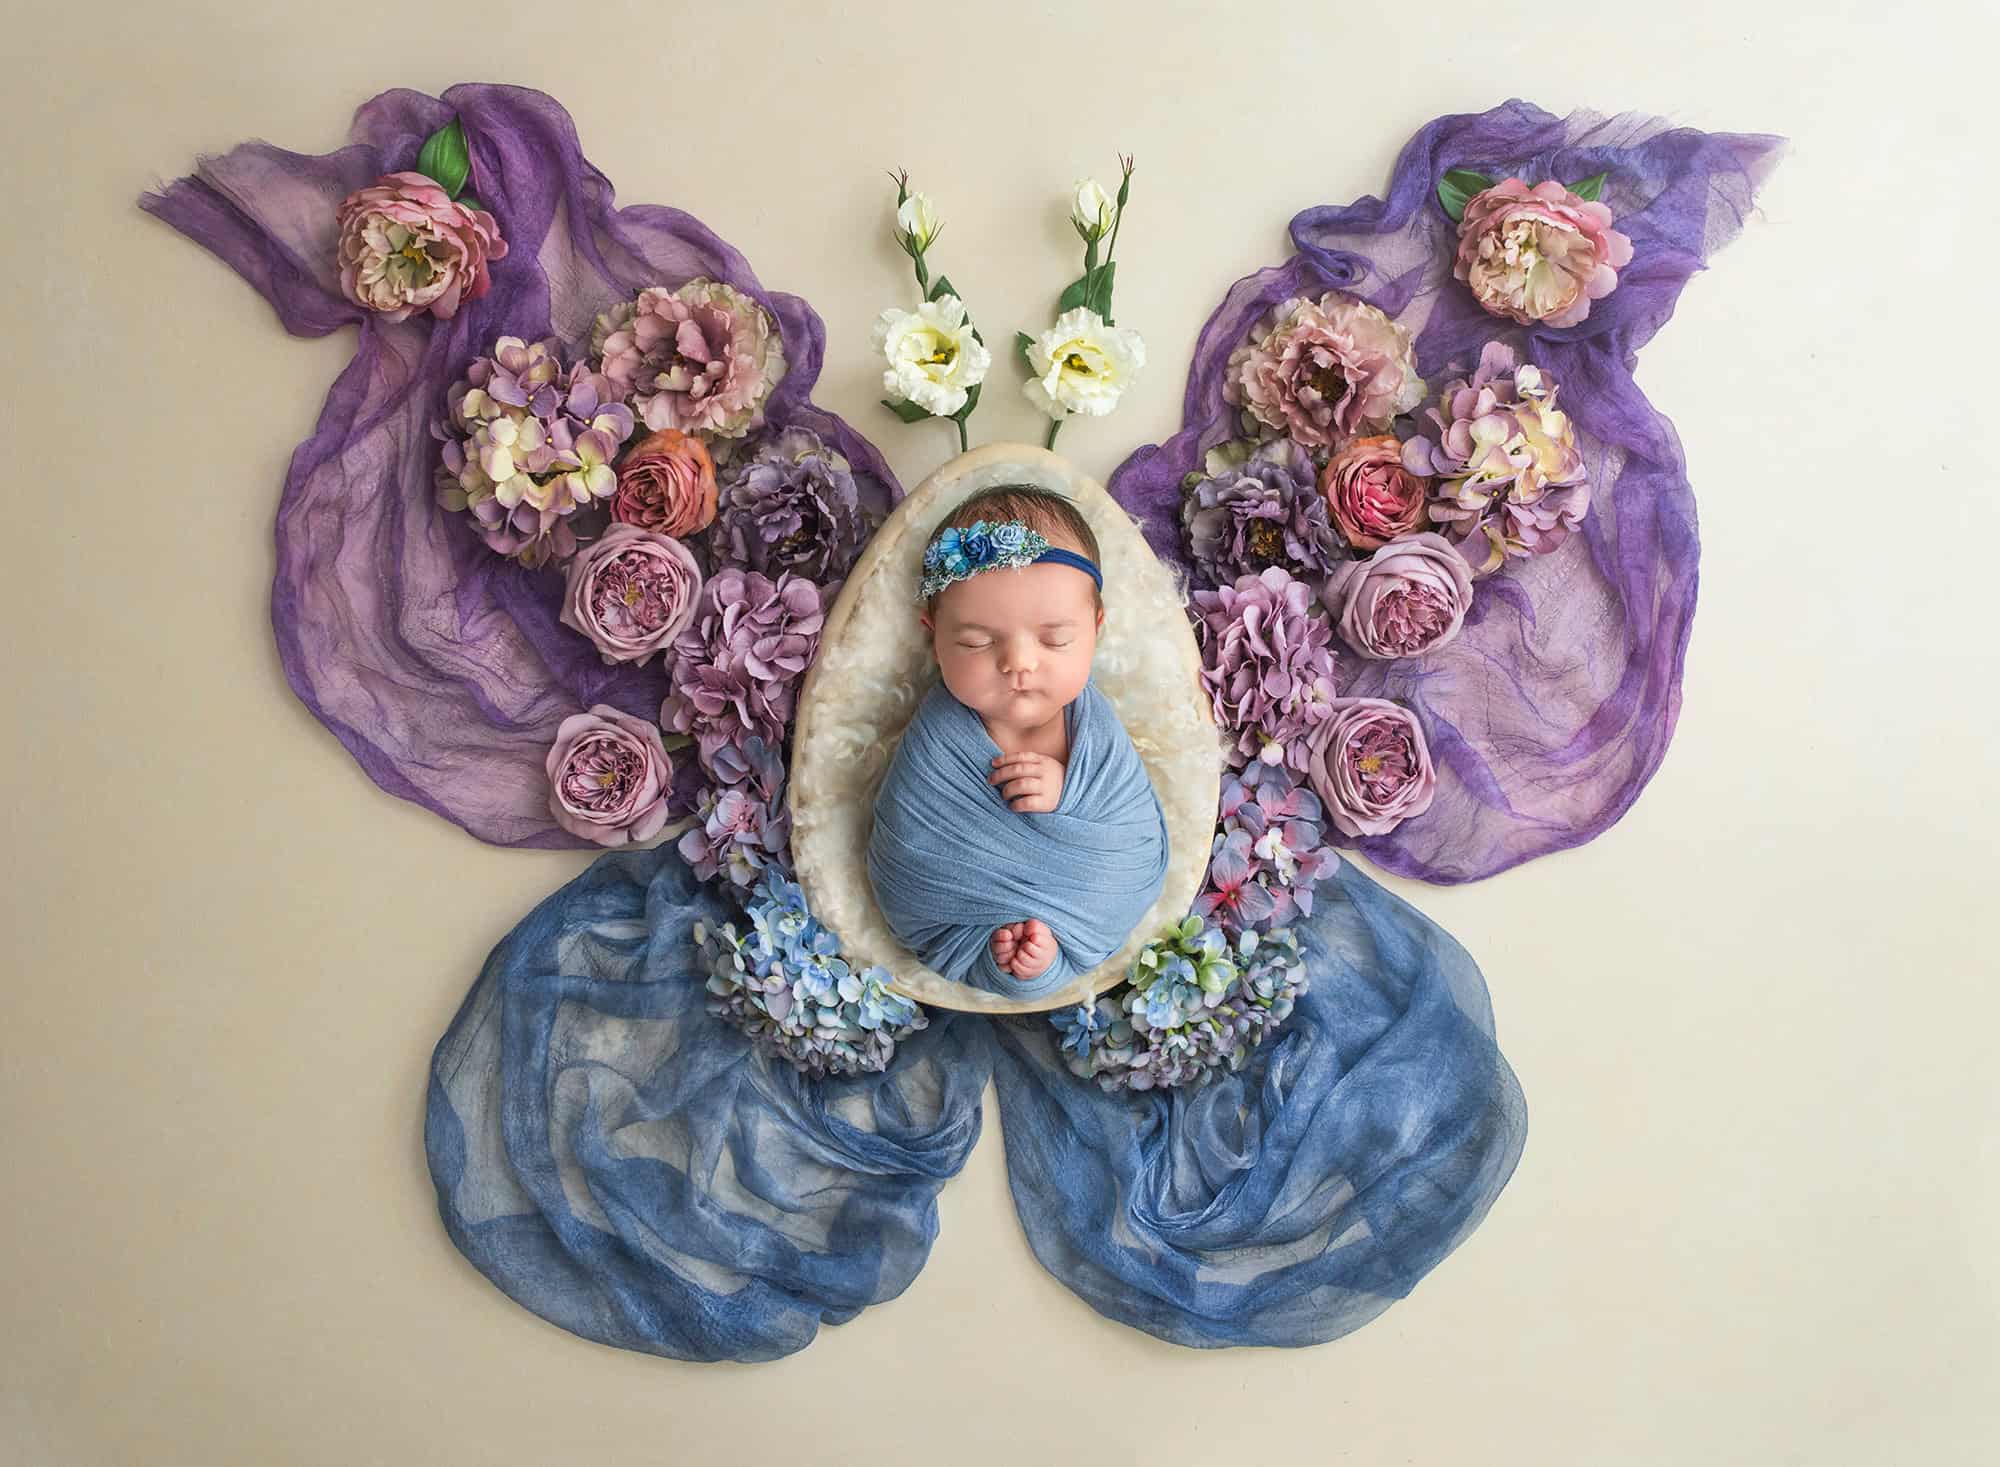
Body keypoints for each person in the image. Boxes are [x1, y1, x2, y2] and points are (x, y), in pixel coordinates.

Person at [866, 486, 1169, 997]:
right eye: (977, 642)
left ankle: (1038, 964)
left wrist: (1071, 792)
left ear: (1096, 628)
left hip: (1094, 908)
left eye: (1055, 639)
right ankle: (1007, 964)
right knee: (992, 951)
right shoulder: (938, 738)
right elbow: (909, 848)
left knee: (1092, 906)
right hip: (957, 918)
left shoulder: (1094, 729)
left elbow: (1131, 841)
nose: (1019, 663)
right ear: (933, 637)